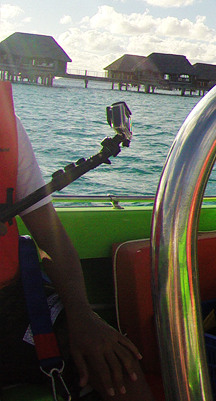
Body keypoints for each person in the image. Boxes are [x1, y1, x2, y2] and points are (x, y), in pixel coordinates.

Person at [1, 82, 150, 399]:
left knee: (122, 368)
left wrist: (83, 316)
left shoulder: (7, 124)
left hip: (9, 302)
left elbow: (49, 235)